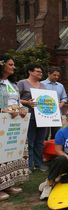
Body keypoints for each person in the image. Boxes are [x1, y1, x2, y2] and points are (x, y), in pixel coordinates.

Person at [0, 55, 29, 201]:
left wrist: (23, 109)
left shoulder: (13, 84)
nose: (13, 67)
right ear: (2, 65)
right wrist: (3, 111)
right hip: (2, 121)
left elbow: (17, 101)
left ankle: (8, 184)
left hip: (14, 122)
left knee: (10, 154)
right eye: (10, 64)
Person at [17, 64, 48, 172]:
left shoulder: (43, 86)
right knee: (29, 141)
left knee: (40, 142)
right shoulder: (22, 83)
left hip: (42, 118)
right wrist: (27, 102)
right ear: (30, 72)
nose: (40, 73)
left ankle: (39, 164)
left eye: (41, 72)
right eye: (38, 71)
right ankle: (29, 165)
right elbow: (15, 99)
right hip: (28, 117)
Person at [41, 67, 68, 139]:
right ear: (49, 74)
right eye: (54, 75)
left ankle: (54, 150)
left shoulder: (60, 86)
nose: (56, 77)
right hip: (44, 114)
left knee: (56, 135)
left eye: (58, 76)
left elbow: (64, 98)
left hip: (56, 114)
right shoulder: (41, 84)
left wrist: (60, 105)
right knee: (44, 135)